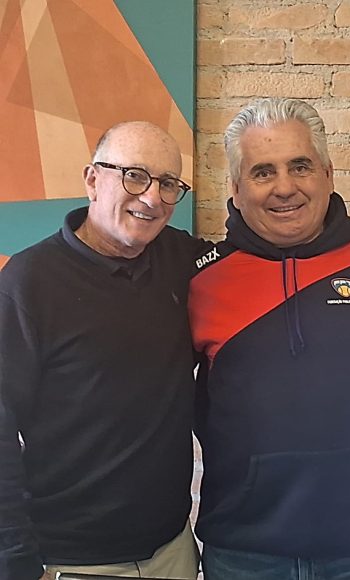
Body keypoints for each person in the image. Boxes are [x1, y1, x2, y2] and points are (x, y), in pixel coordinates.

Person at [188, 97, 350, 580]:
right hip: (242, 552)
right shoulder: (200, 280)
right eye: (262, 172)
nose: (285, 187)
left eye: (300, 166)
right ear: (235, 188)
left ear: (328, 175)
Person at [0, 121, 207, 580]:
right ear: (93, 180)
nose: (152, 198)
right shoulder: (28, 283)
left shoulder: (180, 258)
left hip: (172, 550)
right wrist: (15, 561)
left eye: (168, 184)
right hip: (71, 561)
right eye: (135, 176)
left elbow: (252, 251)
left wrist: (343, 230)